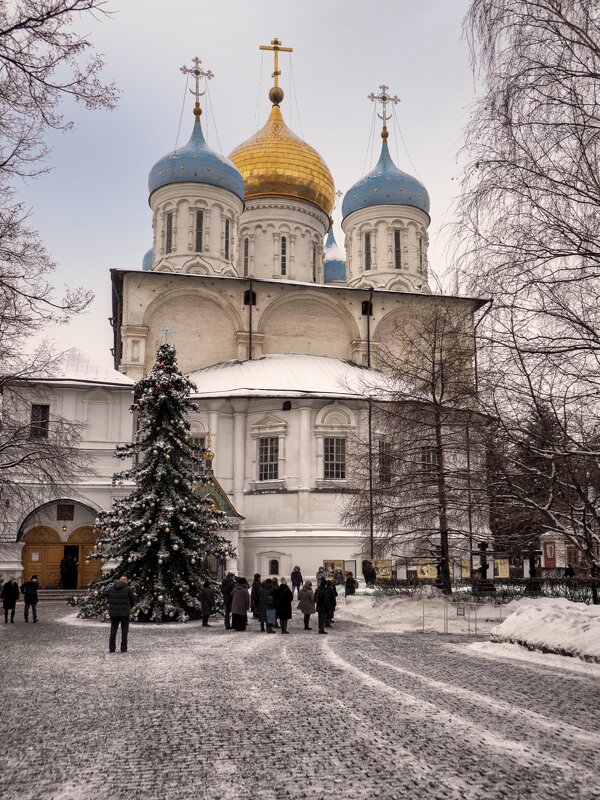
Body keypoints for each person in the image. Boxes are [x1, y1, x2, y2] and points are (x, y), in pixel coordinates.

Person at [107, 576, 135, 653]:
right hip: (124, 613)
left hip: (113, 613)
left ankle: (111, 648)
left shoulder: (111, 588)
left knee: (113, 630)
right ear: (126, 582)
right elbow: (133, 601)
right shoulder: (128, 589)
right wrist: (129, 608)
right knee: (124, 631)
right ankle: (123, 648)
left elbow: (109, 599)